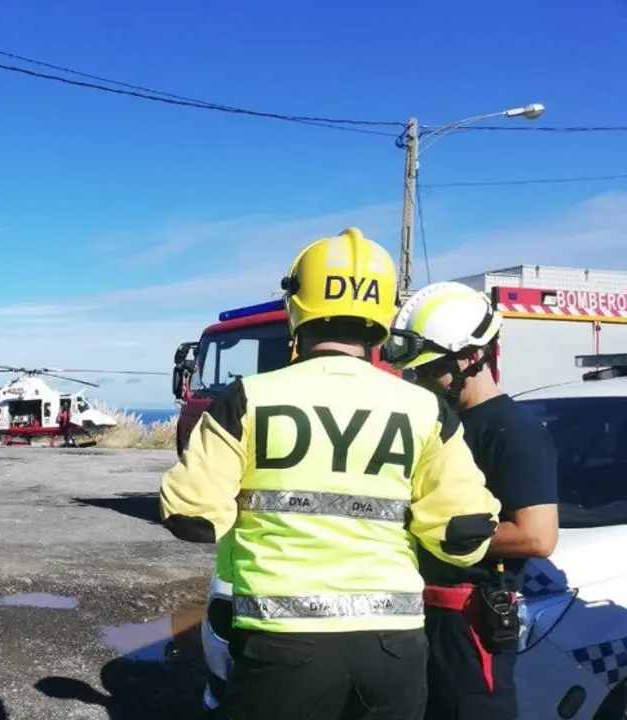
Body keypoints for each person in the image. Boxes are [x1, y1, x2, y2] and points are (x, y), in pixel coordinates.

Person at [159, 227, 502, 720]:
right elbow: (464, 534)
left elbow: (191, 514)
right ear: (383, 313)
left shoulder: (249, 399)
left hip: (282, 646)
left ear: (296, 305)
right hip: (393, 650)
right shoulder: (425, 410)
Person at [385, 281, 559, 720]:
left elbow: (538, 536)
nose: (422, 381)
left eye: (430, 370)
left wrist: (446, 533)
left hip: (469, 620)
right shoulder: (439, 424)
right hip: (423, 613)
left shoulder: (513, 431)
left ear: (469, 357)